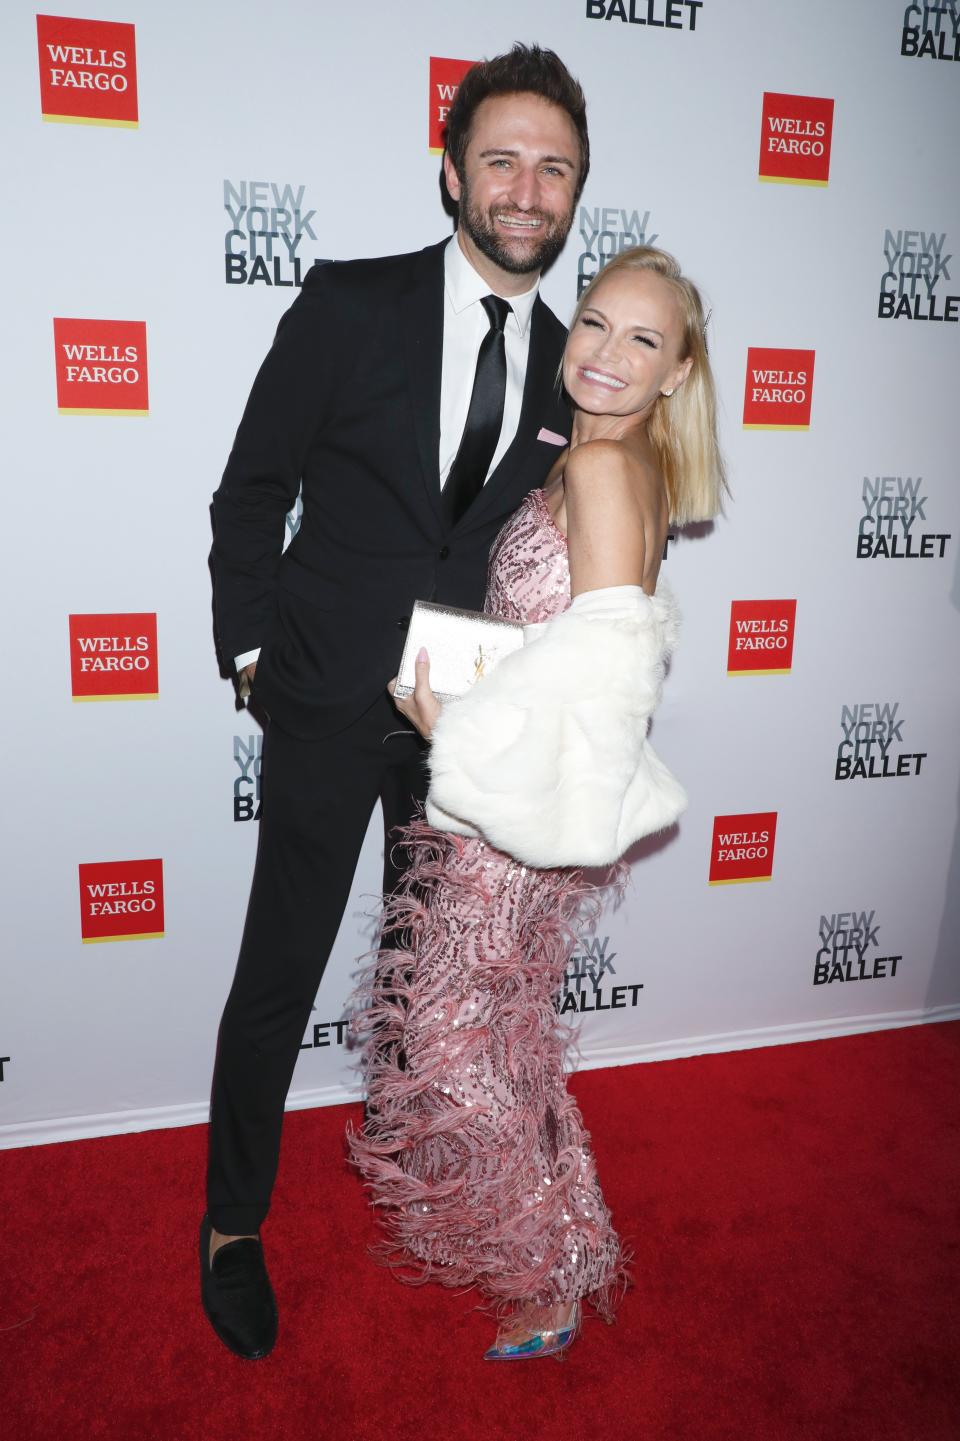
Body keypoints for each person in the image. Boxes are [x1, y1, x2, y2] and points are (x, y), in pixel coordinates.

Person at [202, 45, 591, 1359]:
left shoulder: (577, 365)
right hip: (318, 700)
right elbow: (251, 491)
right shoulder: (350, 306)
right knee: (279, 978)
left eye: (554, 167)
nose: (526, 188)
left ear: (576, 189)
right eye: (503, 160)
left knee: (442, 995)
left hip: (460, 730)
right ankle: (229, 1228)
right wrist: (250, 656)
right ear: (452, 174)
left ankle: (460, 1208)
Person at [348, 245, 726, 1359]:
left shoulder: (607, 473)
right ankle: (565, 1247)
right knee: (501, 1037)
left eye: (642, 340)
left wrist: (457, 732)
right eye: (598, 323)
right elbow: (553, 648)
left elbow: (607, 682)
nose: (605, 353)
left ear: (677, 372)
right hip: (512, 800)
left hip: (517, 818)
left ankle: (549, 1273)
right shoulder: (587, 456)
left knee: (454, 1041)